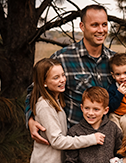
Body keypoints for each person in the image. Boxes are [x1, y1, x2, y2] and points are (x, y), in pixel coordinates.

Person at [25, 4, 115, 145]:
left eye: (104, 24)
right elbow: (34, 90)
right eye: (95, 25)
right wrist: (30, 120)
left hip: (107, 141)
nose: (101, 30)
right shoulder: (63, 58)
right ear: (82, 26)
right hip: (74, 141)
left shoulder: (114, 61)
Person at [28, 58, 106, 163]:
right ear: (44, 82)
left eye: (63, 75)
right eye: (56, 77)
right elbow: (57, 141)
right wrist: (91, 139)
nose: (62, 80)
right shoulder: (45, 106)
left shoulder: (56, 101)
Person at [64, 86, 123, 163]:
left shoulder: (113, 128)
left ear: (105, 110)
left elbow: (120, 154)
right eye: (87, 108)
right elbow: (71, 162)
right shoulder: (74, 132)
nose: (91, 113)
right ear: (82, 108)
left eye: (96, 109)